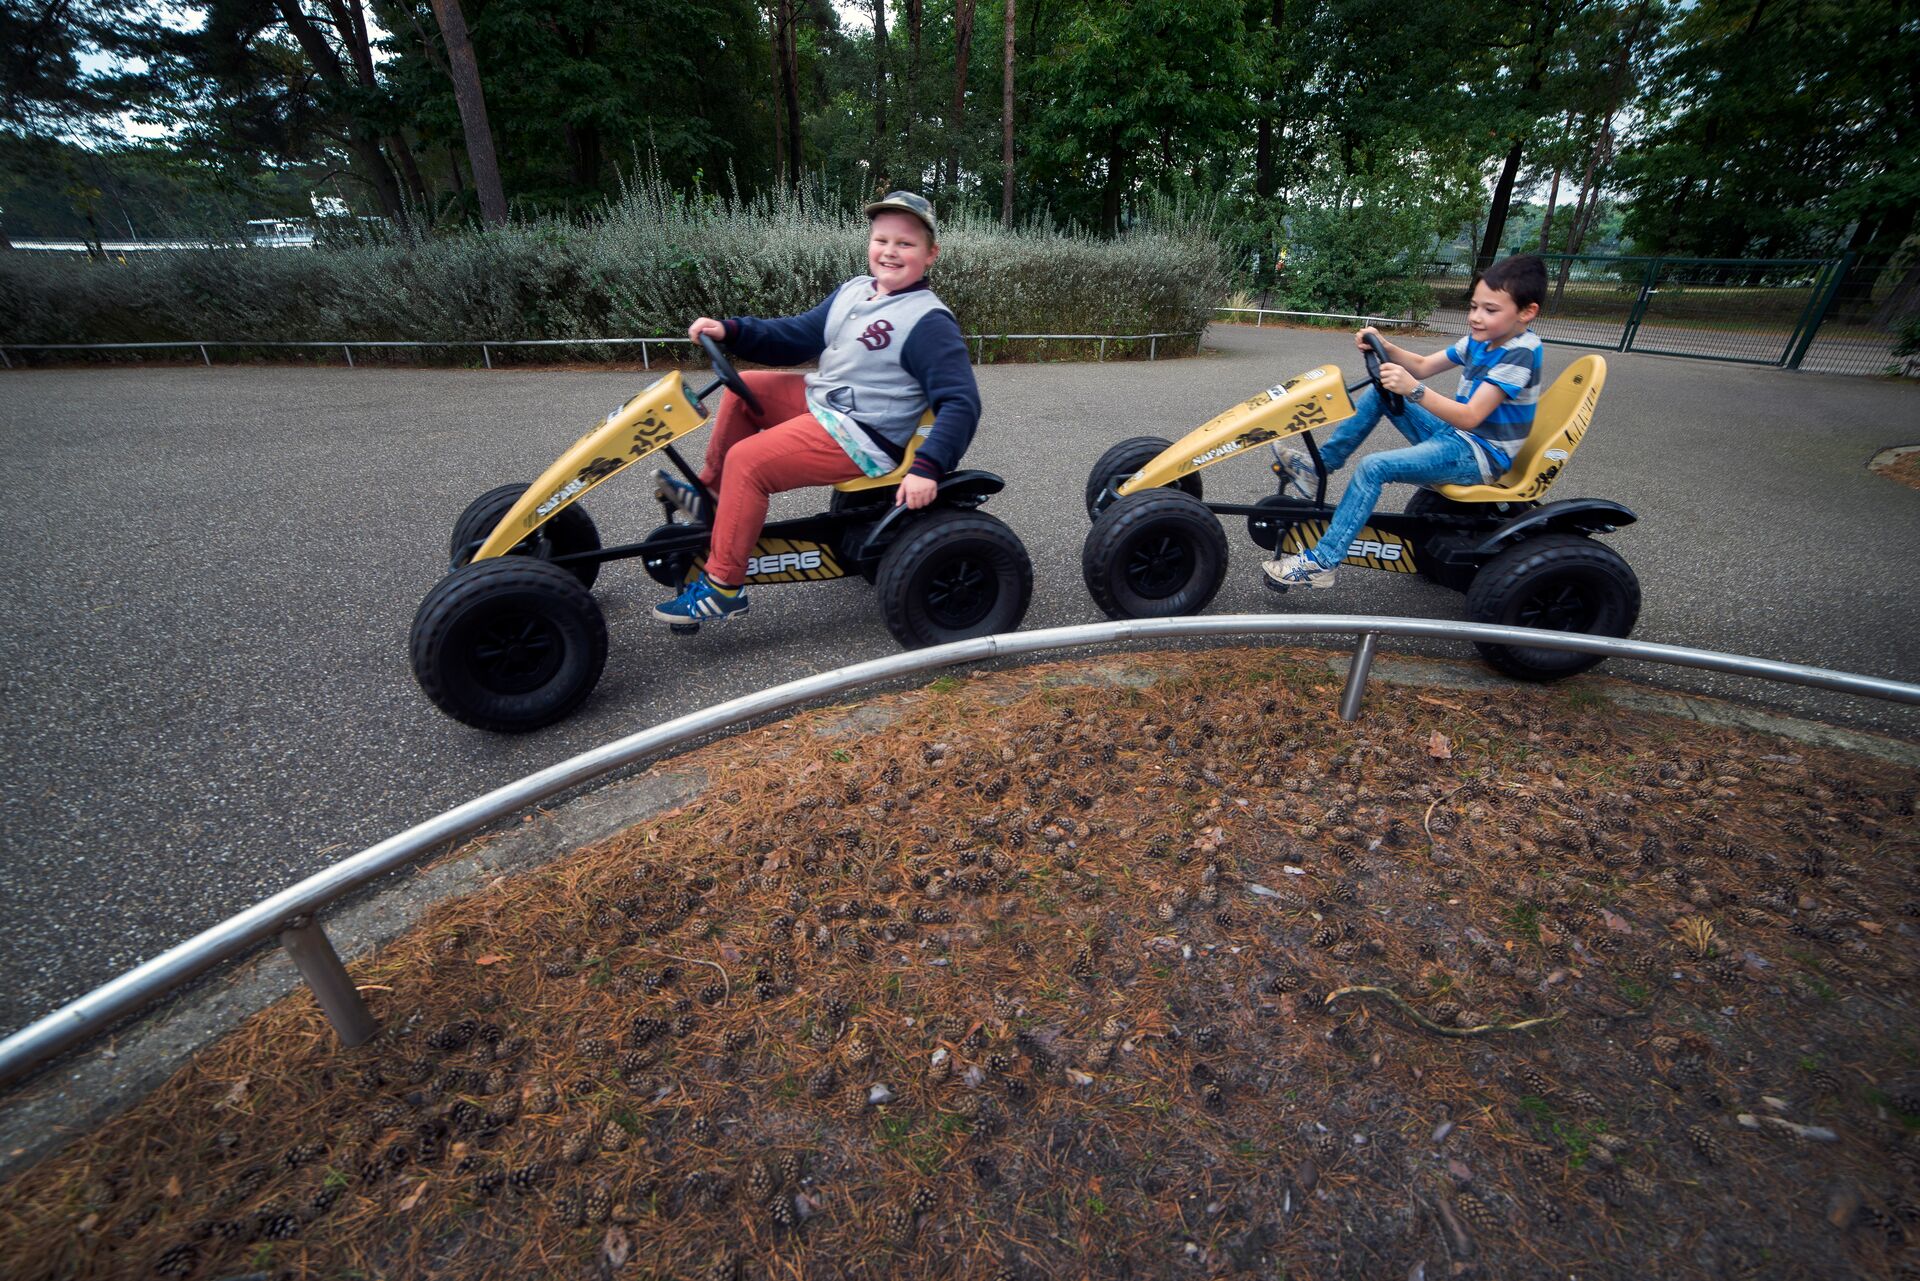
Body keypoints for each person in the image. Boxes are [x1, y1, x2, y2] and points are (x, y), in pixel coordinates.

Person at [652, 191, 982, 625]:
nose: (890, 252)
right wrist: (730, 331)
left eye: (906, 244)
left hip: (862, 434)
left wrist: (928, 468)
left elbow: (961, 401)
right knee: (745, 387)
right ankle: (712, 496)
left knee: (748, 462)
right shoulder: (855, 292)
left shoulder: (928, 321)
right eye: (882, 239)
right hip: (824, 403)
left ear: (931, 253)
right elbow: (796, 336)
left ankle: (723, 586)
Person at [1263, 254, 1548, 589]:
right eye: (1473, 307)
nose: (1476, 317)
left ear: (1526, 312)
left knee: (1374, 467)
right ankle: (1319, 468)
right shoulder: (1482, 340)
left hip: (1480, 455)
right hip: (1457, 436)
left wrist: (1413, 390)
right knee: (1380, 393)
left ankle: (1322, 563)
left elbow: (1471, 416)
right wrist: (1385, 345)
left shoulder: (1520, 354)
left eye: (1490, 310)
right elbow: (1424, 364)